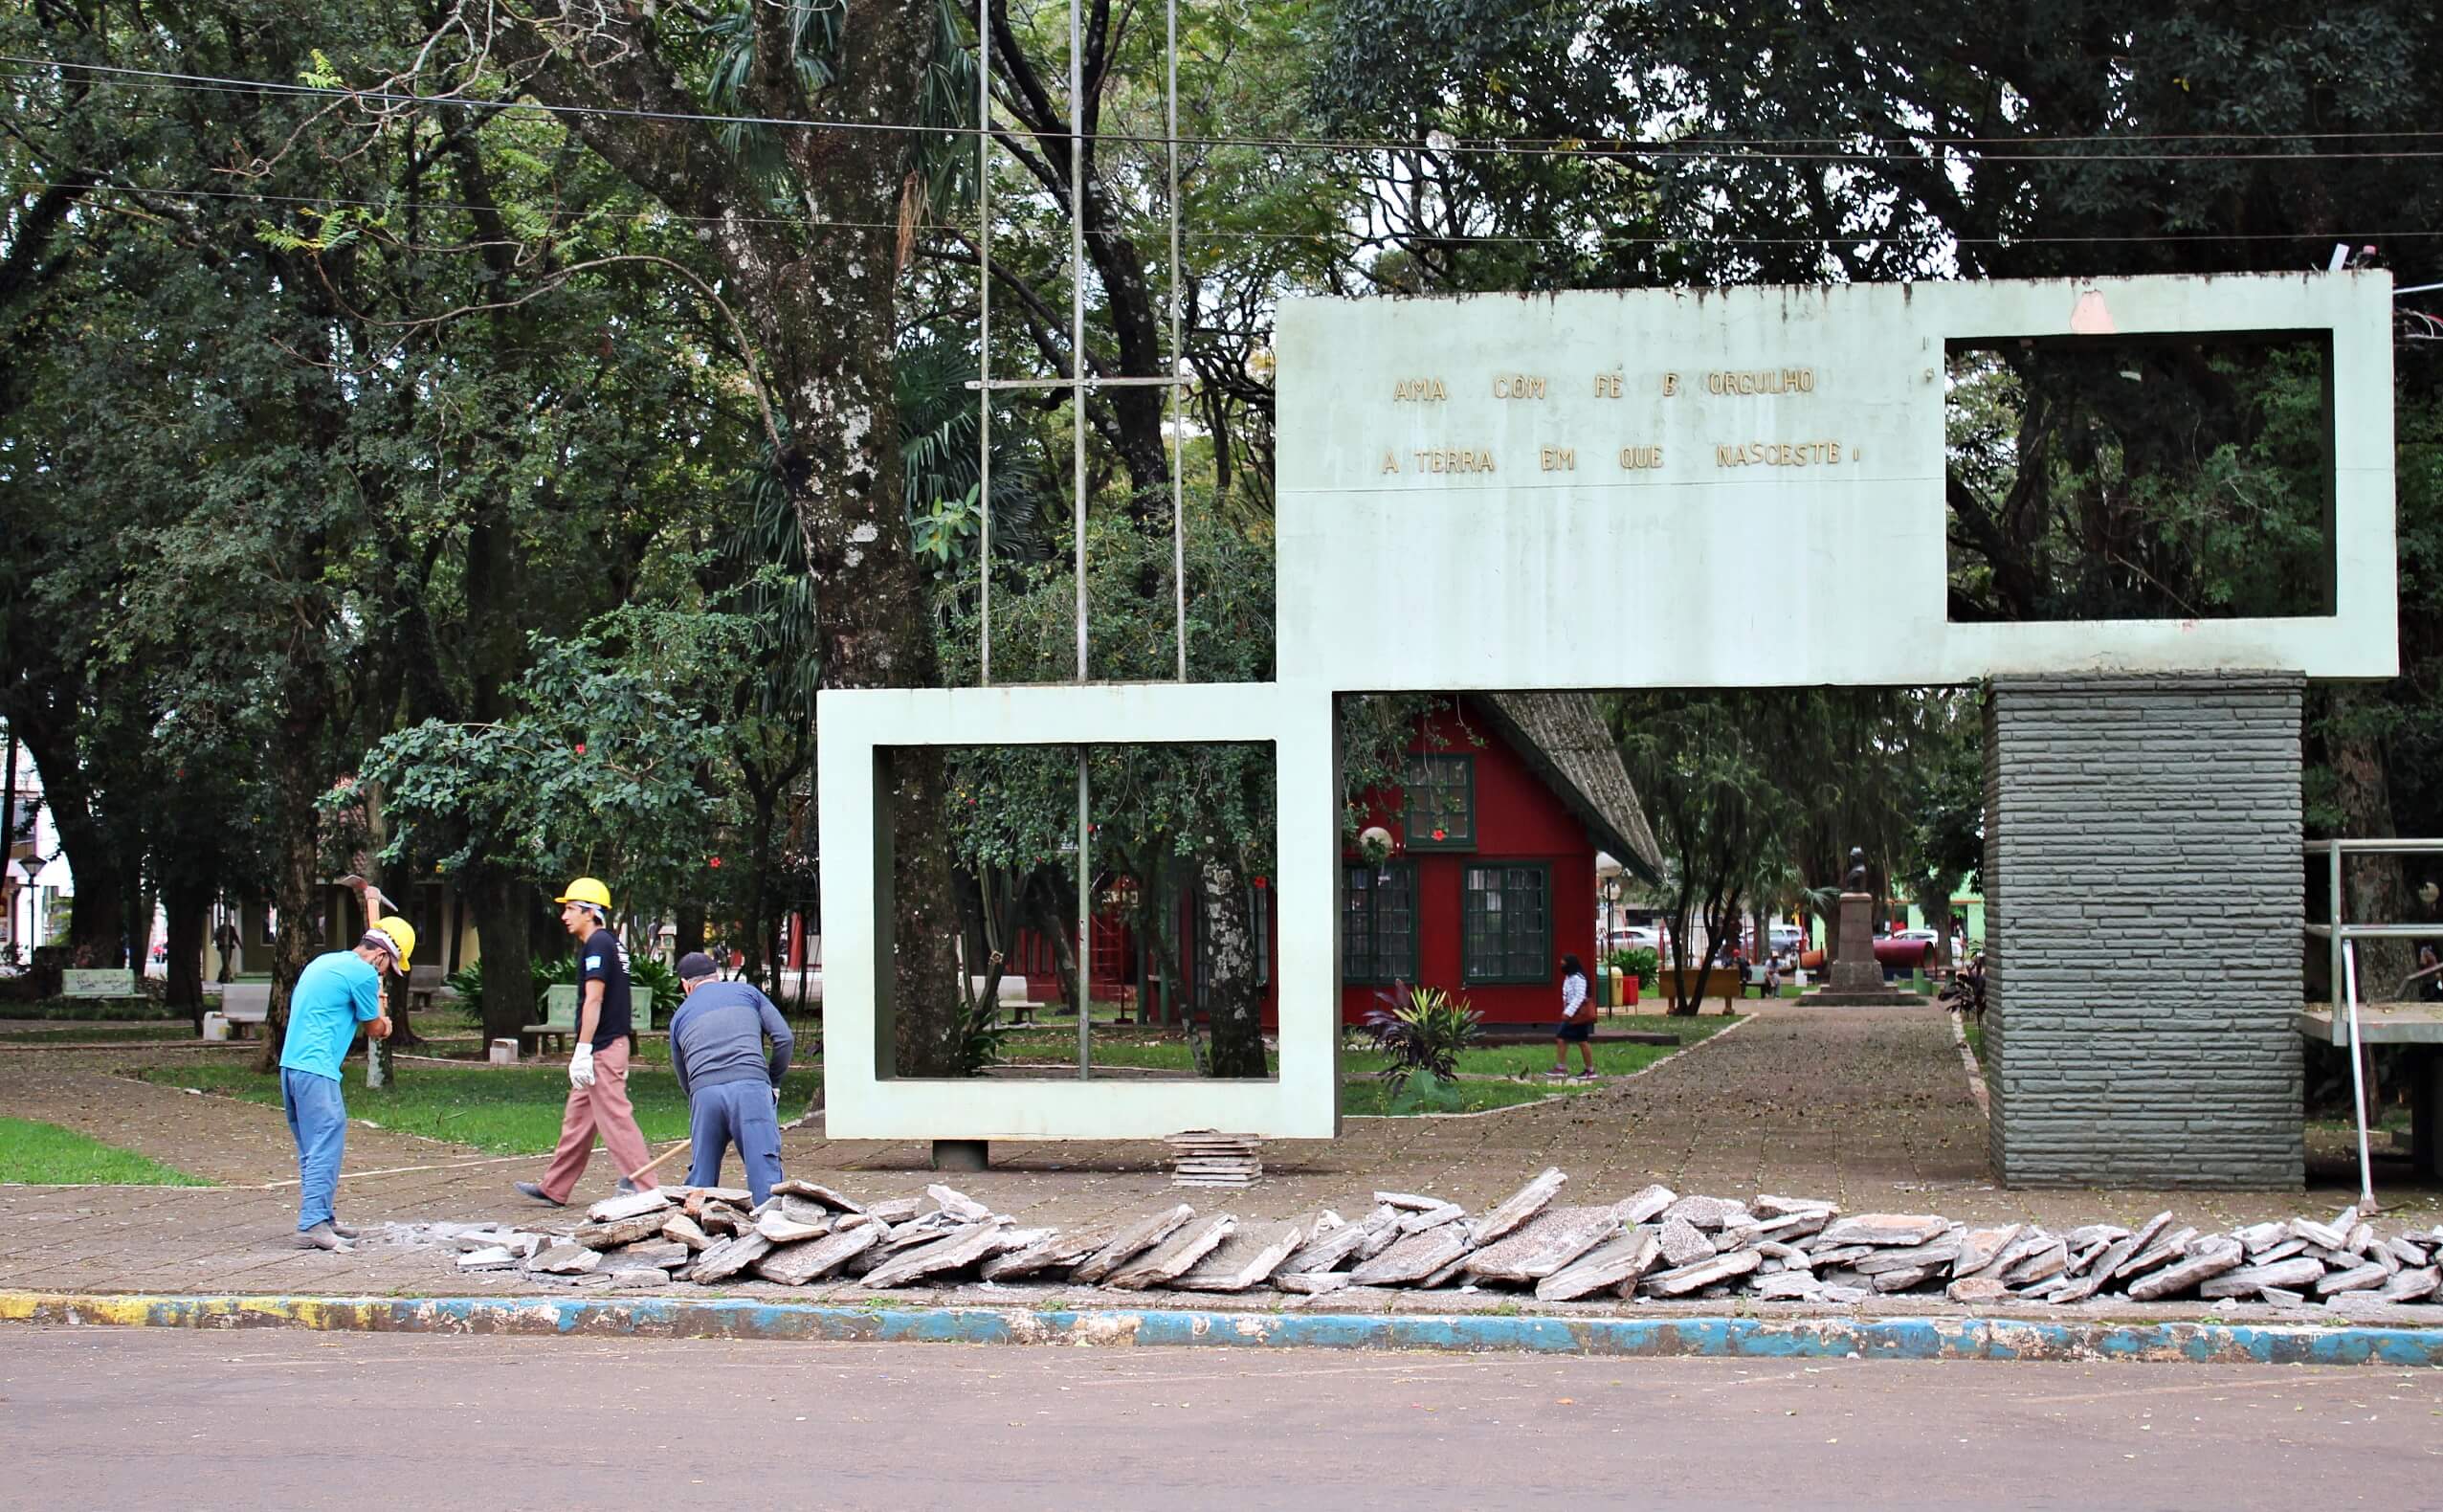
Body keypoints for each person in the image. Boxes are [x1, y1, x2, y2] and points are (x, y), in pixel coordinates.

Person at [278, 879, 411, 1251]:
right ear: (381, 957)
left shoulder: (328, 961)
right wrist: (384, 1019)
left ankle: (322, 1215)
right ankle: (313, 1224)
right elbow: (376, 1029)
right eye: (390, 968)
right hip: (317, 1069)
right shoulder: (363, 974)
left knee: (313, 1146)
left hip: (291, 1066)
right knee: (326, 1140)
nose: (386, 975)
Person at [516, 877, 657, 1206]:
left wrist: (582, 1049)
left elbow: (594, 1000)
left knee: (616, 1120)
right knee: (577, 1121)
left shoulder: (598, 945)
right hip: (605, 1045)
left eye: (570, 909)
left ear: (591, 912)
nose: (564, 915)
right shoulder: (610, 943)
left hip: (603, 1047)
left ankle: (647, 1189)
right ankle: (555, 1188)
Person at [667, 950, 794, 1204]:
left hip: (704, 1094)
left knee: (701, 1180)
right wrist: (773, 1082)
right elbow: (784, 1038)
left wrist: (703, 1103)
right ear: (716, 975)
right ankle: (772, 1230)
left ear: (685, 985)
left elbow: (685, 1078)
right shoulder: (748, 993)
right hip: (751, 1089)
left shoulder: (679, 1016)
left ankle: (694, 1230)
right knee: (765, 1177)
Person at [1547, 953, 1595, 1080]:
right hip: (1572, 1014)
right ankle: (1562, 1067)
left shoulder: (1578, 978)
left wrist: (1568, 1012)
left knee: (1580, 1041)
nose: (1562, 966)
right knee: (1564, 1038)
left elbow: (1579, 997)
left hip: (1578, 1015)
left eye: (1564, 964)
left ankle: (1588, 1070)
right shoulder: (1569, 977)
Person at [213, 916, 241, 983]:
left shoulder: (231, 928)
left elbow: (235, 937)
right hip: (223, 947)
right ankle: (226, 976)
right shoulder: (220, 928)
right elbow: (215, 937)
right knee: (225, 962)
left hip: (229, 947)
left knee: (227, 962)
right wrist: (220, 942)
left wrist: (239, 944)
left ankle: (222, 976)